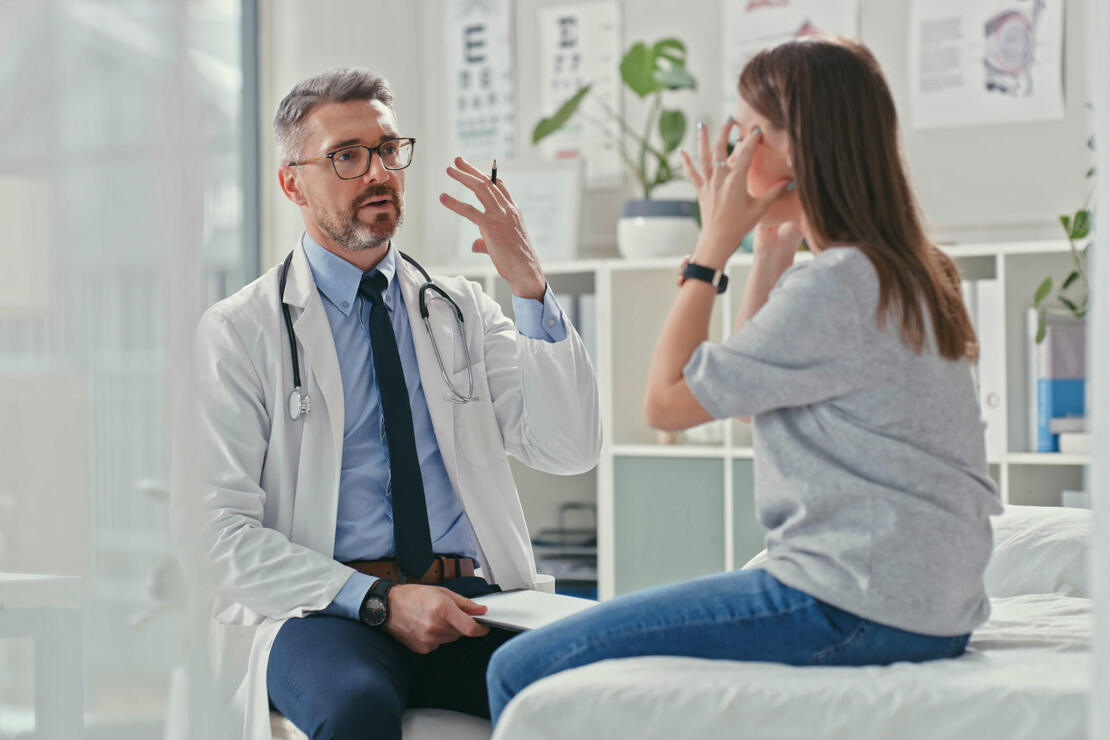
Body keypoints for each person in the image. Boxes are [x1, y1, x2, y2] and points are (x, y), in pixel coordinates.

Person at [485, 35, 1002, 725]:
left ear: (801, 149)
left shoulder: (837, 286)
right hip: (927, 606)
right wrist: (769, 255)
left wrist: (711, 249)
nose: (732, 158)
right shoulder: (912, 269)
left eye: (749, 133)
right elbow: (749, 404)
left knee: (519, 667)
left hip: (852, 602)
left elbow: (666, 403)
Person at [172, 67, 601, 740]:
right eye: (346, 156)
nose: (377, 172)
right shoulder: (240, 331)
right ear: (292, 182)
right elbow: (215, 536)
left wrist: (529, 286)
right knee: (356, 710)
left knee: (608, 688)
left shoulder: (459, 308)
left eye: (387, 149)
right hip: (325, 613)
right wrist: (377, 601)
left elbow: (570, 447)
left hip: (470, 603)